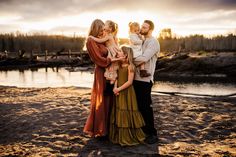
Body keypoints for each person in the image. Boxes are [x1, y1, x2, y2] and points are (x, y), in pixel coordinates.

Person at [83, 19, 123, 138]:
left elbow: (112, 47)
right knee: (102, 99)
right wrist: (113, 60)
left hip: (110, 71)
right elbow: (99, 60)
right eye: (100, 30)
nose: (102, 32)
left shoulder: (102, 40)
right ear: (95, 29)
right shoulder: (91, 41)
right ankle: (101, 129)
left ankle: (109, 127)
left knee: (111, 98)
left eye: (103, 30)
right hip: (101, 72)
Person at [109, 45, 146, 146]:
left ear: (125, 55)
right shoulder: (119, 65)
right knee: (119, 111)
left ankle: (128, 136)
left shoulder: (131, 66)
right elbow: (116, 78)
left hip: (127, 92)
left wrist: (119, 89)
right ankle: (119, 136)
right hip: (118, 91)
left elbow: (129, 82)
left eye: (120, 51)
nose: (118, 52)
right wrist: (115, 88)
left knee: (126, 111)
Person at [133, 20, 160, 144]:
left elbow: (144, 58)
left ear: (150, 29)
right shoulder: (142, 41)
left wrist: (130, 60)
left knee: (146, 107)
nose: (141, 29)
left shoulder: (153, 42)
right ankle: (142, 130)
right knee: (138, 106)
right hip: (135, 78)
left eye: (144, 27)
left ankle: (152, 133)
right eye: (142, 26)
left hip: (145, 79)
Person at [89, 20, 122, 84]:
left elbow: (100, 41)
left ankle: (112, 77)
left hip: (112, 51)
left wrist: (92, 37)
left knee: (112, 65)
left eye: (105, 24)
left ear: (110, 28)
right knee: (112, 65)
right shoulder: (108, 35)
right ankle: (112, 77)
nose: (104, 25)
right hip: (111, 50)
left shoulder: (108, 36)